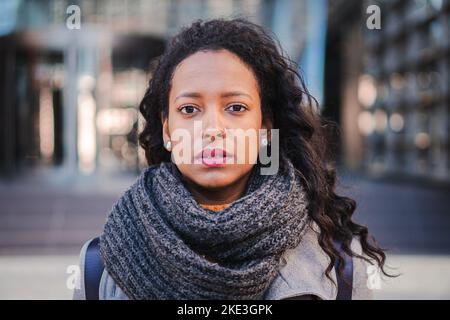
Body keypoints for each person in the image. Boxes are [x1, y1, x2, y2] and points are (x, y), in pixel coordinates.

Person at [73, 18, 391, 300]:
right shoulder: (97, 267)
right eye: (189, 109)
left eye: (235, 108)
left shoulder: (342, 264)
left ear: (266, 128)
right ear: (168, 129)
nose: (213, 129)